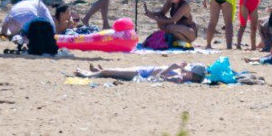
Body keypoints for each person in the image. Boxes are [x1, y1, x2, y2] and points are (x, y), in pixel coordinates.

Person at [76, 62, 208, 83]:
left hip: (142, 74)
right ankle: (99, 71)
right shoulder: (181, 75)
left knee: (110, 72)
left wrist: (171, 67)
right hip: (145, 69)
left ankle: (89, 75)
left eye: (188, 70)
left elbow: (158, 78)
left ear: (190, 74)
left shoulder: (178, 78)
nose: (186, 70)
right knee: (114, 71)